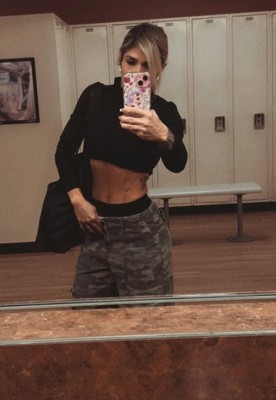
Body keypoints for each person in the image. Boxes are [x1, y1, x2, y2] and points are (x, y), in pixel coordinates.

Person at [55, 23, 188, 299]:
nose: (137, 71)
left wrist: (164, 135)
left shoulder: (163, 112)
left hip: (141, 230)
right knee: (87, 314)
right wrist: (77, 200)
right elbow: (63, 151)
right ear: (120, 59)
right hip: (95, 225)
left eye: (147, 65)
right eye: (131, 61)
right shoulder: (95, 97)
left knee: (148, 318)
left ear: (160, 67)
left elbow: (178, 163)